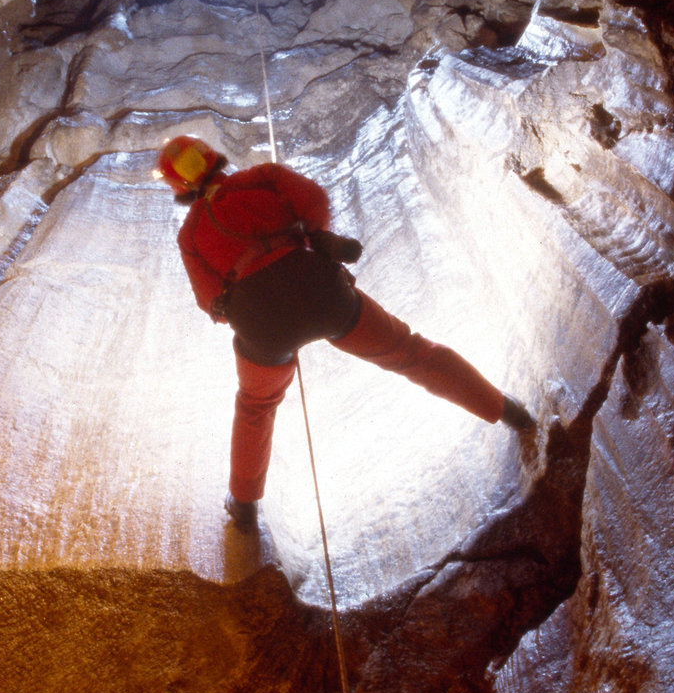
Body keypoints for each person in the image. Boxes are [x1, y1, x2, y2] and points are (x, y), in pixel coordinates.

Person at [155, 134, 535, 533]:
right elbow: (315, 200)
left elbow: (210, 301)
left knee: (256, 407)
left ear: (179, 188)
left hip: (260, 321)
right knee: (411, 353)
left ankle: (245, 505)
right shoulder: (262, 177)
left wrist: (255, 308)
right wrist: (312, 237)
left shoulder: (190, 234)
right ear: (213, 159)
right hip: (320, 288)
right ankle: (507, 411)